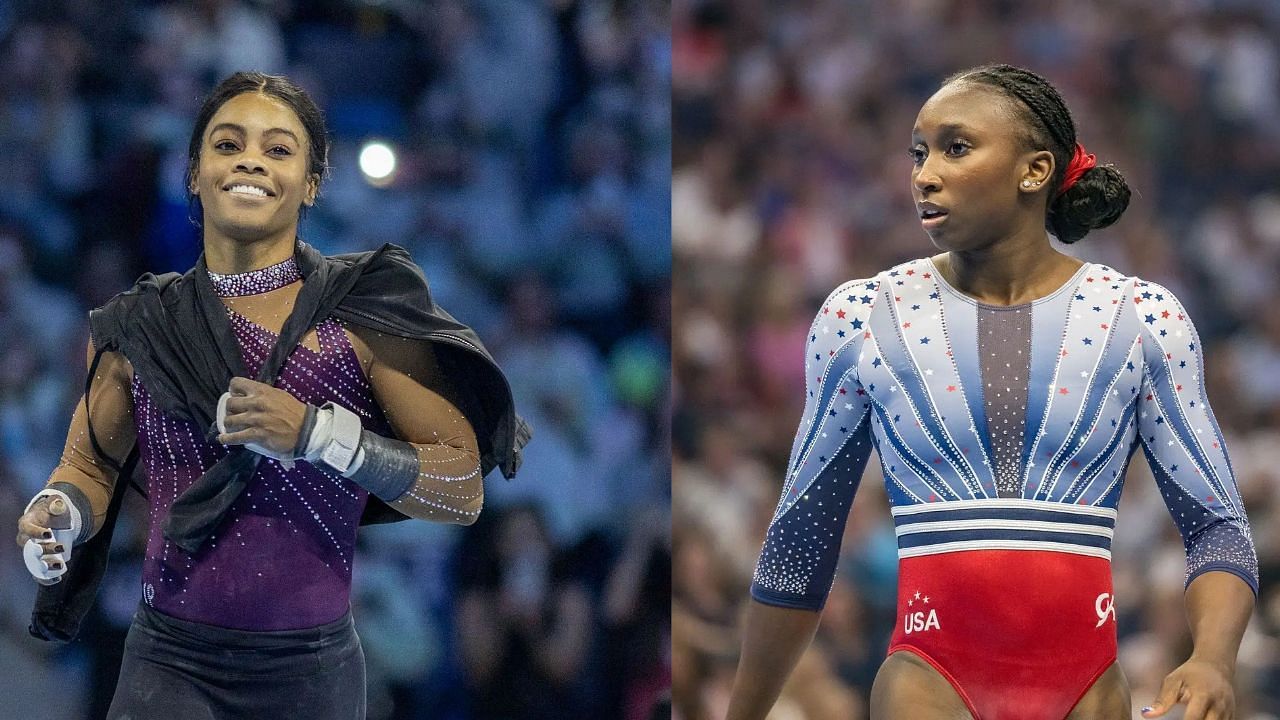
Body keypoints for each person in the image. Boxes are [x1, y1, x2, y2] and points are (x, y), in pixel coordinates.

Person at [725, 64, 1257, 720]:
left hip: (1088, 689)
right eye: (918, 153)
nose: (924, 173)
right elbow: (801, 539)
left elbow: (1217, 527)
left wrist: (1213, 658)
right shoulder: (864, 316)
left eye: (955, 147)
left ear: (1034, 171)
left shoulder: (1140, 319)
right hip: (929, 678)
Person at [14, 71, 529, 719]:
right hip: (168, 664)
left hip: (309, 673)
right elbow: (90, 467)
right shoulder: (136, 324)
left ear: (312, 182)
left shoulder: (358, 317)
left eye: (279, 148)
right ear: (193, 174)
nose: (251, 158)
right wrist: (59, 511)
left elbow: (461, 490)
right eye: (227, 144)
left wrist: (324, 437)